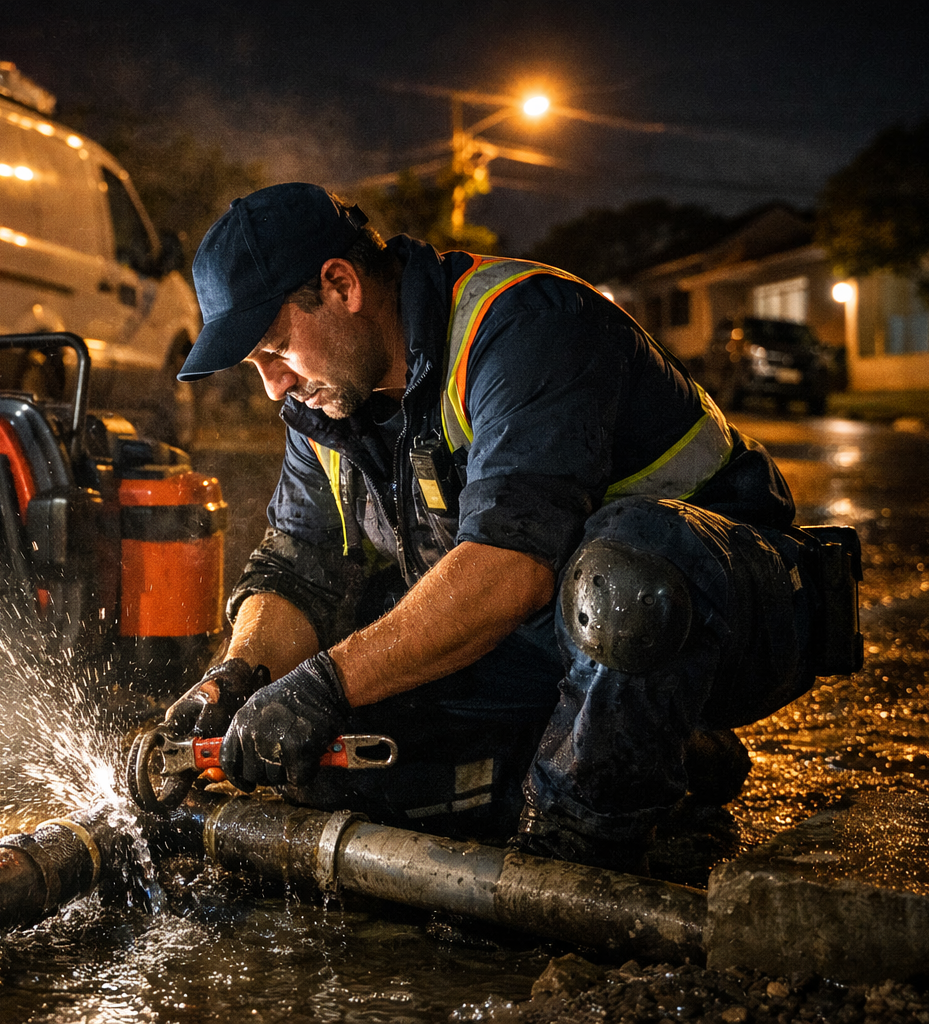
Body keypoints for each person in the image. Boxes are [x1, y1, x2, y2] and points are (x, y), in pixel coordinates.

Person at [158, 182, 842, 873]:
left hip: (733, 613)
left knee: (623, 578)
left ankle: (582, 843)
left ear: (341, 285)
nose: (273, 386)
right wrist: (241, 680)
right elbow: (298, 569)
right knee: (324, 763)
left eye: (276, 349)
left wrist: (324, 685)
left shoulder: (528, 323)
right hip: (550, 644)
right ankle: (665, 760)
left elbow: (510, 568)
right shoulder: (329, 406)